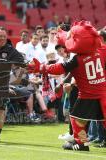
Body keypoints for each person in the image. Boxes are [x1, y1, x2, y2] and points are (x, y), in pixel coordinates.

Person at [28, 21, 106, 151]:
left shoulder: (77, 60)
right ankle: (82, 142)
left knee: (76, 119)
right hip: (103, 93)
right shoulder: (101, 51)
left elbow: (58, 68)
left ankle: (81, 143)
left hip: (87, 95)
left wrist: (41, 67)